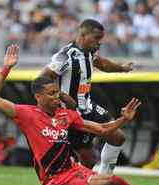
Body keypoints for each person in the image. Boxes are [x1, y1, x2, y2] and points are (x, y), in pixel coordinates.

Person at [0, 44, 154, 185]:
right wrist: (7, 67)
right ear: (38, 97)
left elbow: (102, 129)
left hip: (74, 170)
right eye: (51, 93)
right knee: (114, 182)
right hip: (56, 180)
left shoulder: (66, 115)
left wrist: (123, 119)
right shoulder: (27, 114)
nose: (56, 97)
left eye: (57, 92)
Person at [40, 19, 133, 174]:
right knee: (88, 161)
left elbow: (103, 64)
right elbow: (42, 79)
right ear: (83, 35)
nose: (99, 43)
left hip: (88, 106)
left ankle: (104, 179)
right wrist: (61, 96)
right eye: (96, 38)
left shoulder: (89, 53)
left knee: (118, 138)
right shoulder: (65, 56)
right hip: (71, 113)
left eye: (101, 39)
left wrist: (122, 68)